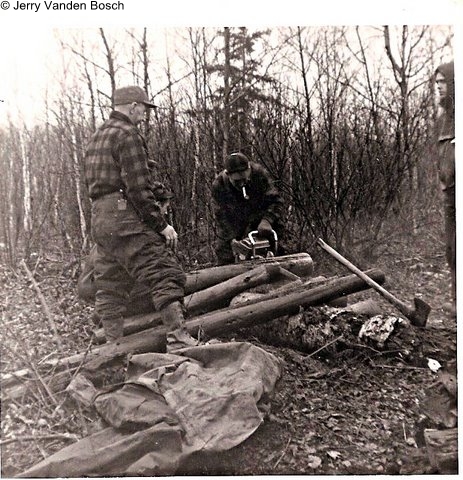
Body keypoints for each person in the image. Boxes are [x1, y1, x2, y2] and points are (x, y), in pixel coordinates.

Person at [84, 85, 197, 349]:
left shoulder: (97, 136)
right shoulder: (128, 135)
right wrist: (162, 225)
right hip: (123, 214)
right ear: (133, 106)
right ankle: (178, 339)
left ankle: (110, 348)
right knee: (164, 271)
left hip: (100, 217)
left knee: (110, 283)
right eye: (144, 109)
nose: (145, 115)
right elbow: (137, 187)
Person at [77, 182, 174, 319]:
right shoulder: (137, 230)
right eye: (165, 208)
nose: (165, 212)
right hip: (97, 288)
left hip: (93, 285)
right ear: (156, 206)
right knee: (164, 290)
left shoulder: (125, 222)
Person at [212, 152, 285, 265]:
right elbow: (222, 217)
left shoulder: (260, 175)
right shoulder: (219, 185)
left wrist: (267, 220)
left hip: (261, 217)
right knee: (224, 254)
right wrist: (232, 239)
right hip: (235, 222)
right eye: (237, 181)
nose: (242, 184)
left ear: (249, 169)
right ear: (228, 174)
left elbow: (276, 201)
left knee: (279, 246)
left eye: (244, 179)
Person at [434, 61, 456, 316]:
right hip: (449, 192)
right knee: (452, 248)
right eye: (437, 83)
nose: (439, 87)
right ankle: (455, 299)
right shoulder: (444, 119)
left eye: (443, 82)